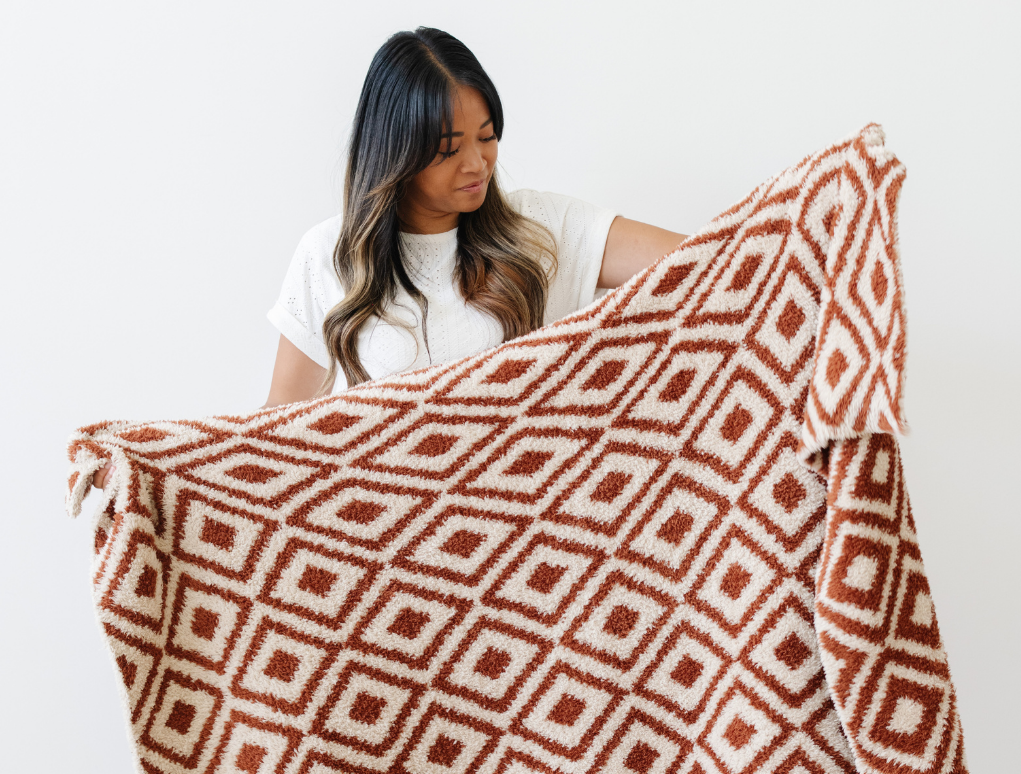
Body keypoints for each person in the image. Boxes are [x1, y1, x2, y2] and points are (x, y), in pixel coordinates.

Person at [93, 26, 684, 489]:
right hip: (396, 575)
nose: (478, 163)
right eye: (450, 148)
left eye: (487, 135)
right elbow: (271, 432)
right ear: (396, 151)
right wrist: (152, 467)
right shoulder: (329, 256)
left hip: (539, 551)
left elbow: (707, 266)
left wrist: (776, 222)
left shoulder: (542, 229)